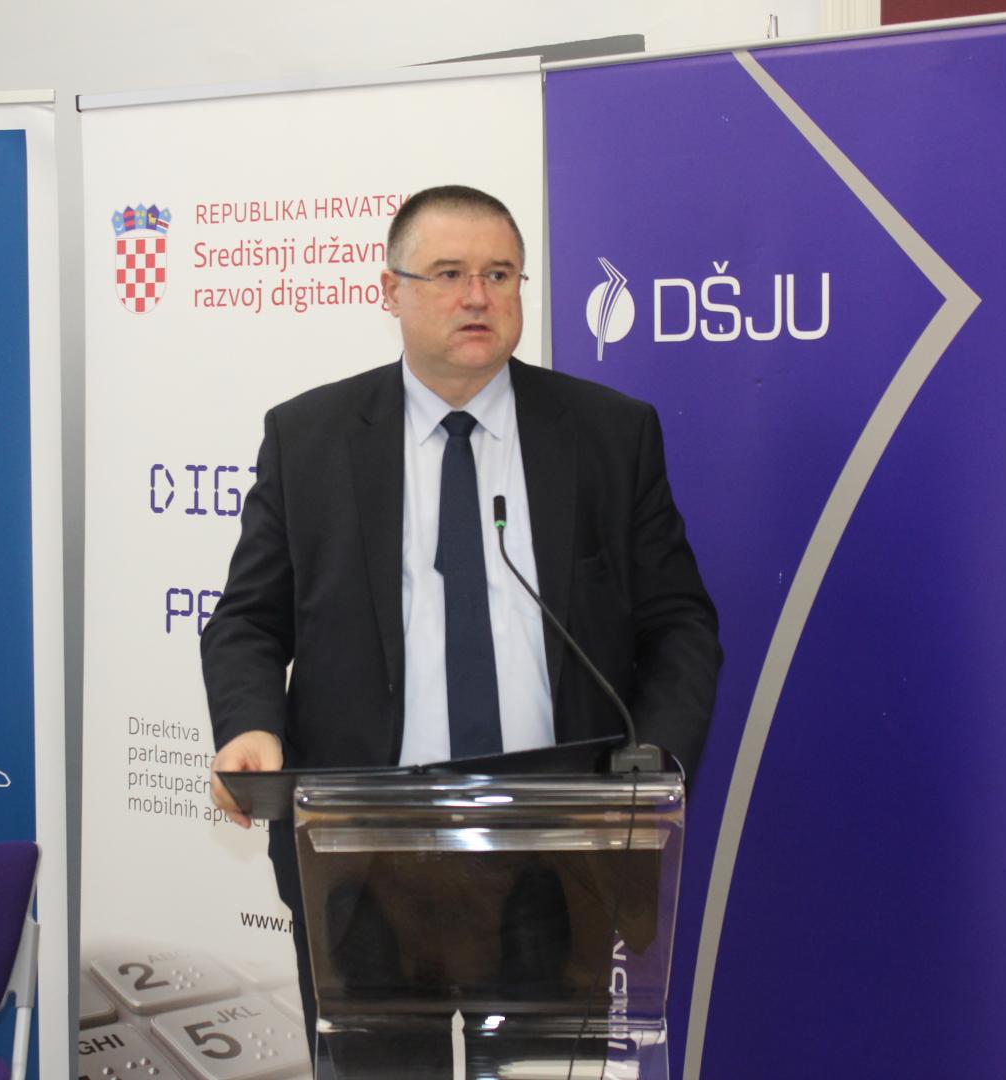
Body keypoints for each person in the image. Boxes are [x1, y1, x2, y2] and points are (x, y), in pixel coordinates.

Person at [200, 184, 721, 1067]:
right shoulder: (309, 437)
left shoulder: (609, 434)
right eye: (448, 274)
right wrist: (250, 724)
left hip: (559, 848)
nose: (478, 297)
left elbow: (679, 624)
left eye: (499, 274)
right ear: (390, 290)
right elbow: (248, 619)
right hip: (362, 852)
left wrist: (651, 771)